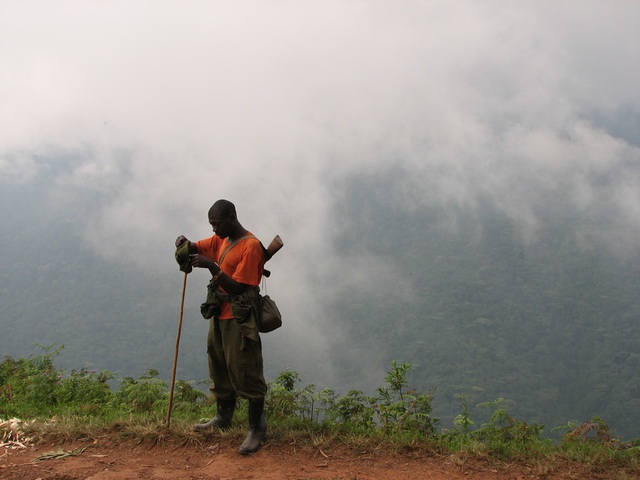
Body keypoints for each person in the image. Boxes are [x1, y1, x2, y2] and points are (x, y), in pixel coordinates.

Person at [175, 199, 267, 455]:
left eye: (217, 223)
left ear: (232, 217)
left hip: (239, 319)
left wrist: (213, 266)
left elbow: (239, 287)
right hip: (219, 315)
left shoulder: (250, 246)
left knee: (245, 369)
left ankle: (256, 429)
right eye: (211, 224)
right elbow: (196, 246)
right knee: (219, 366)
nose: (214, 230)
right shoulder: (221, 240)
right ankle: (223, 418)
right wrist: (183, 243)